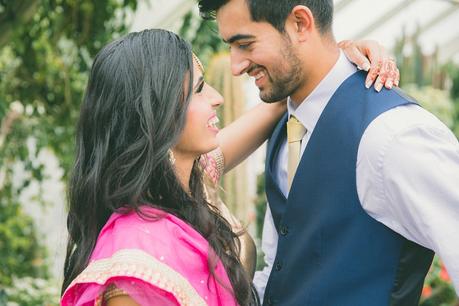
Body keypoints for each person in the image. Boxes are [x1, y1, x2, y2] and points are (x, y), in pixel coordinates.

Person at [60, 28, 400, 306]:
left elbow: (279, 103)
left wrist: (339, 58)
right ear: (156, 113)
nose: (216, 97)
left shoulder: (189, 179)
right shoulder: (133, 268)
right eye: (197, 89)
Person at [198, 1, 459, 306]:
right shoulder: (286, 125)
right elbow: (279, 267)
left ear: (300, 23)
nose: (235, 66)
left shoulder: (392, 135)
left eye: (245, 44)